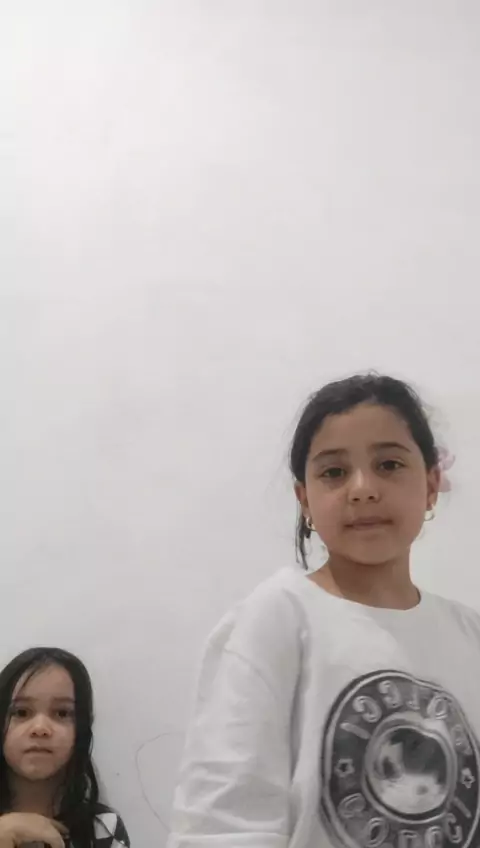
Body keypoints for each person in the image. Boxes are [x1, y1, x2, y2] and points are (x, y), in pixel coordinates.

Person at [168, 374, 480, 848]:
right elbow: (224, 825)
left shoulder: (468, 635)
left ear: (431, 484)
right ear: (305, 500)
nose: (362, 489)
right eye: (334, 472)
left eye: (389, 464)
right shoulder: (277, 618)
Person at [0, 647, 130, 848]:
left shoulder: (103, 829)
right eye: (21, 712)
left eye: (62, 713)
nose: (40, 728)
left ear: (81, 731)